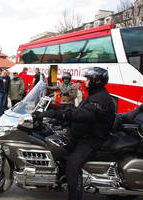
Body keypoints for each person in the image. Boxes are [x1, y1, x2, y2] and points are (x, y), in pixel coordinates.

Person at [38, 67, 115, 200]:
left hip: (93, 139)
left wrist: (60, 114)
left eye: (88, 79)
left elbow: (86, 115)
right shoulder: (94, 95)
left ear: (96, 81)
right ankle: (59, 180)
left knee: (74, 163)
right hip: (81, 134)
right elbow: (79, 112)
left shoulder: (101, 98)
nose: (85, 82)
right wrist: (61, 122)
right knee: (56, 145)